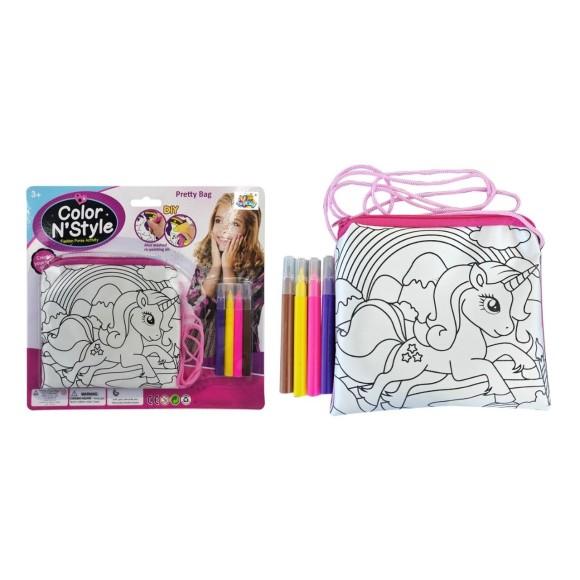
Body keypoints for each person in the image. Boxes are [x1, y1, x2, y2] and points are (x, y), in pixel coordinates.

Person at [187, 193, 264, 359]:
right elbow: (198, 310)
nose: (223, 229)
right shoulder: (206, 263)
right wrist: (216, 265)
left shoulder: (258, 270)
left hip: (237, 352)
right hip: (199, 350)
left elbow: (238, 318)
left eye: (234, 223)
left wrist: (228, 268)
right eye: (218, 221)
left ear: (248, 231)